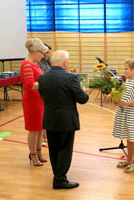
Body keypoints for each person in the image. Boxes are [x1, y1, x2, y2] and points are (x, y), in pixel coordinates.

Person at [38, 50, 89, 189]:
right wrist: (84, 93)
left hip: (50, 118)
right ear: (65, 63)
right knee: (65, 149)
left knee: (53, 149)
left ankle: (57, 176)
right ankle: (60, 179)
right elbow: (82, 99)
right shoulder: (71, 78)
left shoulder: (42, 78)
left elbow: (43, 96)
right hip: (66, 120)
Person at [113, 59, 134, 173]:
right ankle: (129, 160)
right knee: (129, 138)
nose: (125, 71)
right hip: (126, 113)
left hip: (133, 114)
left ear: (133, 70)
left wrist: (125, 104)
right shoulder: (127, 80)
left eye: (126, 69)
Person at [21, 38, 48, 167]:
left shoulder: (35, 64)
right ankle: (33, 155)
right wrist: (47, 83)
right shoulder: (26, 64)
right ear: (35, 51)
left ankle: (38, 152)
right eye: (42, 53)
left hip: (39, 100)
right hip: (32, 101)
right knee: (33, 129)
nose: (43, 56)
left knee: (39, 128)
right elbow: (30, 85)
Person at [38, 43, 52, 146]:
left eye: (49, 52)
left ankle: (46, 136)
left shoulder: (48, 63)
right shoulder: (39, 64)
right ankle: (42, 138)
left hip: (48, 91)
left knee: (47, 116)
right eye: (47, 52)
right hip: (42, 91)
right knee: (42, 116)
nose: (48, 54)